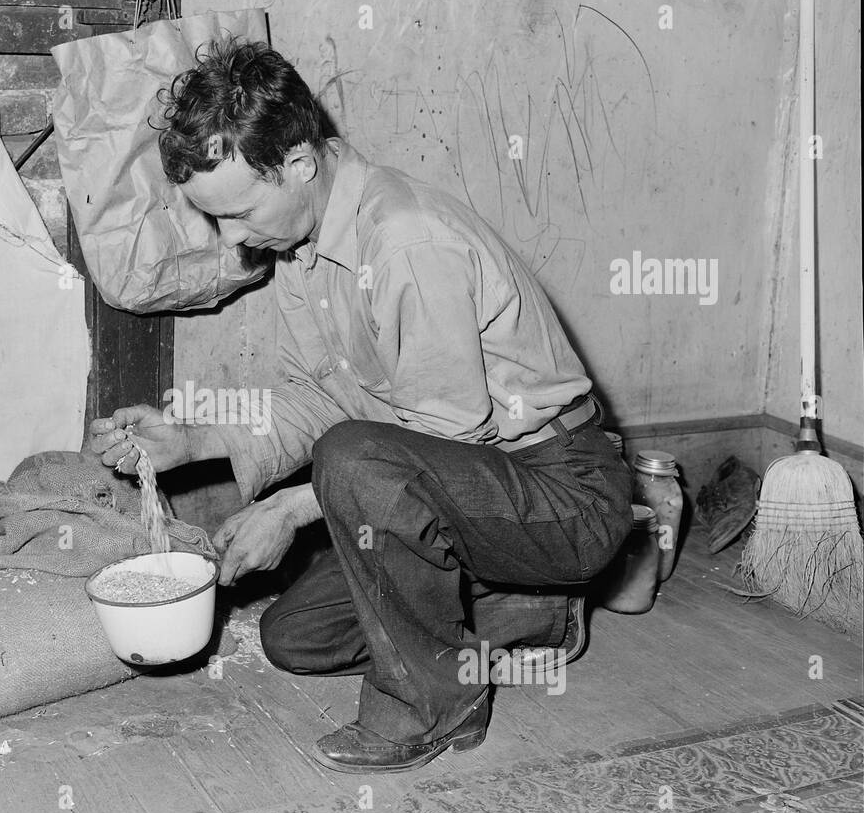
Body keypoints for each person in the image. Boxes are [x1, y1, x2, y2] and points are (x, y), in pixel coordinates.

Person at [89, 38, 632, 774]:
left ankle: (438, 703)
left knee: (352, 455)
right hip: (480, 498)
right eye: (215, 219)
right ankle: (527, 605)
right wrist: (189, 438)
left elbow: (438, 438)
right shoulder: (300, 247)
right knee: (295, 638)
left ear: (301, 165)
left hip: (561, 490)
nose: (233, 239)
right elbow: (320, 394)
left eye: (241, 211)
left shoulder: (404, 240)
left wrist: (290, 509)